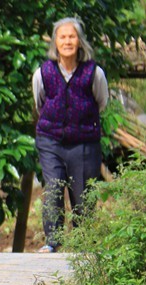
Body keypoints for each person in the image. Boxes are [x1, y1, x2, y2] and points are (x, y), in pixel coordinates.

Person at [33, 17, 108, 252]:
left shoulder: (93, 73)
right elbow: (40, 103)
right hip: (50, 140)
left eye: (72, 36)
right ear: (55, 42)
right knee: (53, 186)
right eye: (62, 37)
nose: (67, 41)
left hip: (84, 142)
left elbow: (101, 102)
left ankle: (82, 244)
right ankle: (53, 242)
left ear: (80, 41)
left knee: (83, 194)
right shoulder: (43, 72)